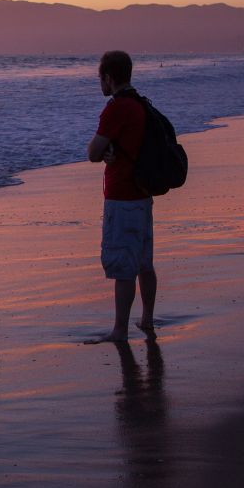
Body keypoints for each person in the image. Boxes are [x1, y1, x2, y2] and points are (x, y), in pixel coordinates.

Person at [86, 50, 157, 342]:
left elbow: (92, 152)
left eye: (100, 78)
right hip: (142, 194)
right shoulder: (141, 104)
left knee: (123, 266)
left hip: (122, 195)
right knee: (144, 263)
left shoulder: (116, 108)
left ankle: (120, 329)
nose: (99, 84)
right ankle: (147, 320)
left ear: (109, 77)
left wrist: (104, 152)